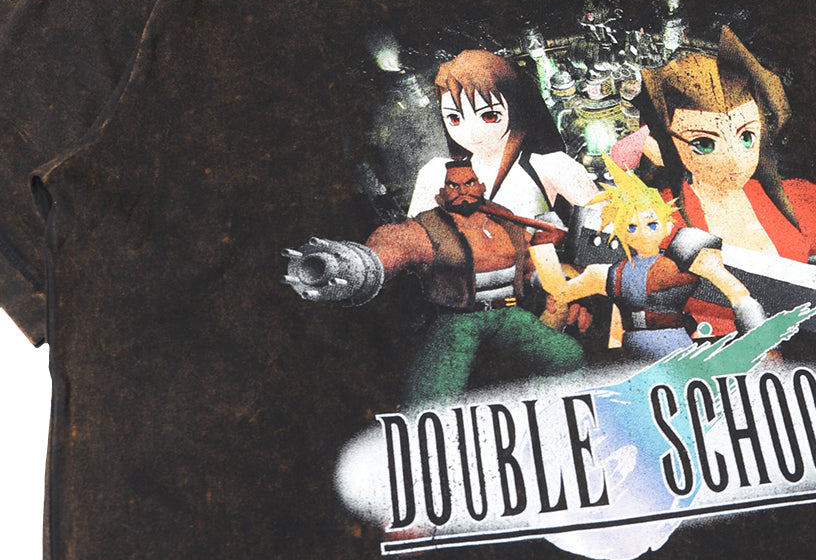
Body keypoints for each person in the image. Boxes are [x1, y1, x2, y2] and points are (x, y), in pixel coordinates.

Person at [283, 161, 586, 405]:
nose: (462, 191)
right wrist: (351, 266)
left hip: (509, 315)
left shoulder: (504, 220)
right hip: (458, 321)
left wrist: (558, 286)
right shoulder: (426, 228)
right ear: (443, 191)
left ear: (480, 186)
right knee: (429, 400)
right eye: (454, 185)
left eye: (469, 183)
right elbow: (393, 246)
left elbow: (531, 264)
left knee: (567, 355)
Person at [613, 28, 816, 337]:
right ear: (665, 145)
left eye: (746, 137)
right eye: (704, 143)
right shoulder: (658, 215)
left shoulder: (799, 200)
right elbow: (636, 305)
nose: (735, 161)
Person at [546, 157, 766, 357]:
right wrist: (550, 266)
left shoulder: (686, 256)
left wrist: (762, 343)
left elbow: (739, 296)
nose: (642, 233)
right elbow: (559, 296)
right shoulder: (606, 273)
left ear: (667, 226)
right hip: (632, 353)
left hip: (676, 349)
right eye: (632, 227)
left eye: (651, 224)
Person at [408, 49, 598, 219]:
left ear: (515, 108)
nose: (471, 132)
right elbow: (414, 239)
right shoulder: (435, 173)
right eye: (454, 118)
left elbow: (607, 225)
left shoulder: (552, 166)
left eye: (489, 116)